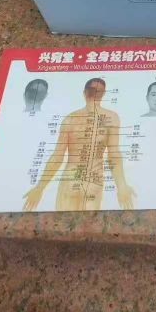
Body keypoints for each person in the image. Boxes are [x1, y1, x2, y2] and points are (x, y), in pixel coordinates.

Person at [23, 77, 135, 211]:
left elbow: (57, 156)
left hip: (70, 179)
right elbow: (114, 155)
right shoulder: (112, 117)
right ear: (103, 94)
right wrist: (121, 186)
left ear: (84, 93)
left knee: (64, 222)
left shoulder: (70, 118)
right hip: (93, 181)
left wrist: (39, 188)